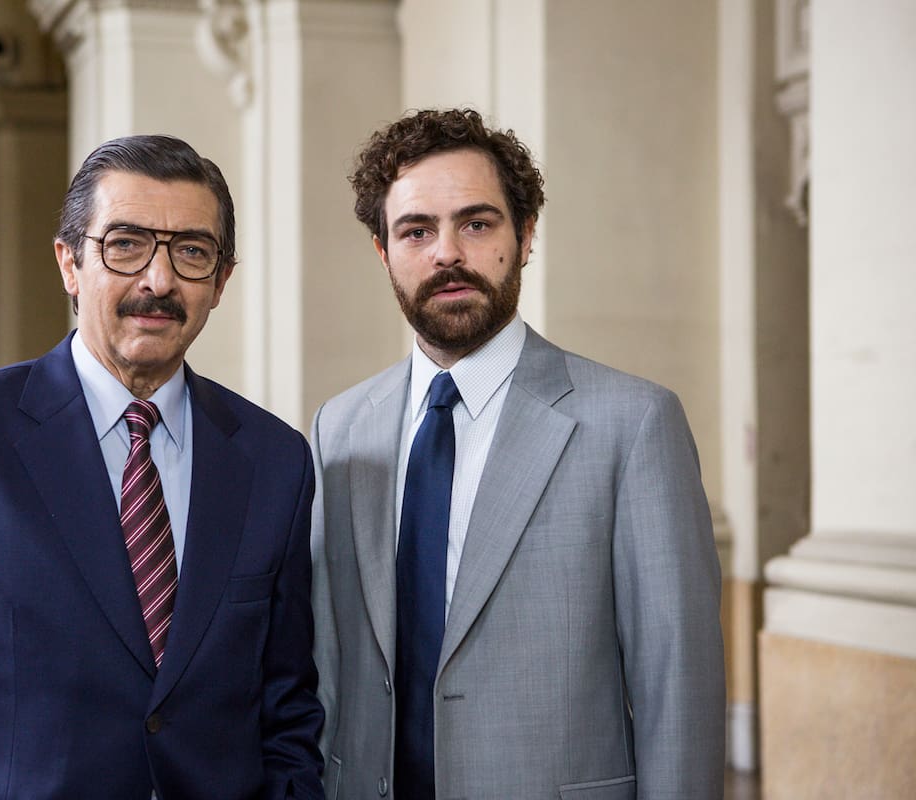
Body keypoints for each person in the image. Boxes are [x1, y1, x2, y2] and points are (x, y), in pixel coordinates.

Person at [0, 135, 324, 800]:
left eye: (192, 253)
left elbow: (286, 711)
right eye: (125, 244)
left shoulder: (274, 460)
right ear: (70, 263)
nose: (158, 279)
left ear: (221, 282)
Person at [310, 108, 725, 799]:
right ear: (384, 252)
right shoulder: (341, 428)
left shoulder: (633, 424)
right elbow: (324, 663)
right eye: (417, 230)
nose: (447, 253)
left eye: (476, 224)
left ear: (525, 235)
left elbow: (676, 684)